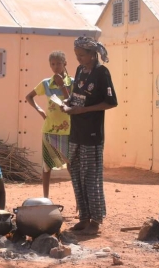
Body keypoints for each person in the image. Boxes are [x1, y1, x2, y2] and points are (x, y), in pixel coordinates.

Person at [63, 37, 117, 235]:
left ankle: (96, 220)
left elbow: (110, 102)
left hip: (92, 133)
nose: (78, 59)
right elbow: (77, 94)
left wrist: (84, 110)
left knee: (91, 176)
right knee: (75, 171)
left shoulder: (102, 73)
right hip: (76, 130)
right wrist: (67, 104)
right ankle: (84, 217)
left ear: (93, 54)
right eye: (76, 55)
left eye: (82, 55)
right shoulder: (79, 71)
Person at [26, 51, 73, 198]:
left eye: (59, 63)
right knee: (46, 166)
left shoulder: (73, 82)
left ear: (65, 64)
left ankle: (79, 202)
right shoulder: (46, 83)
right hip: (49, 130)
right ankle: (45, 199)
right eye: (52, 64)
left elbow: (72, 102)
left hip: (69, 130)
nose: (55, 67)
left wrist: (62, 86)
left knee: (72, 166)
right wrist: (40, 111)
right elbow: (29, 97)